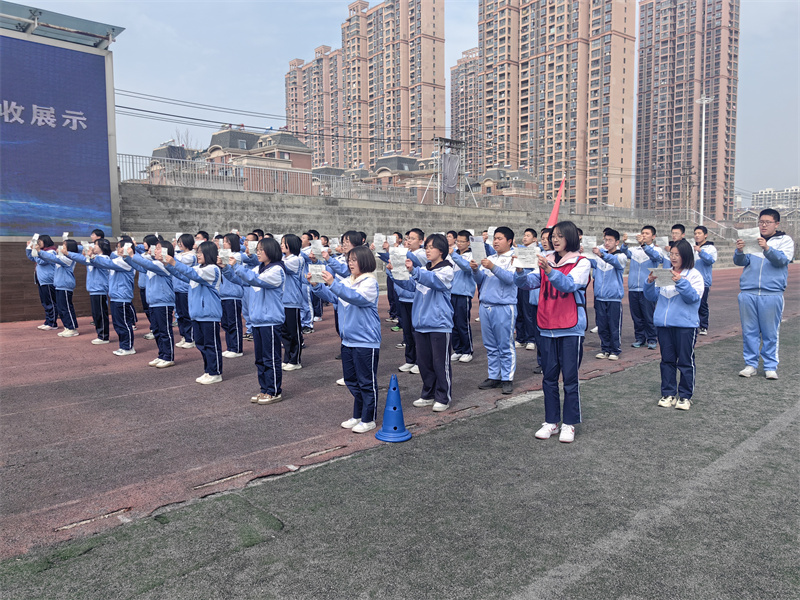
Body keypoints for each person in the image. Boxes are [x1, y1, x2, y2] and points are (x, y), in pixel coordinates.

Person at [515, 221, 590, 443]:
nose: (554, 240)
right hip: (547, 326)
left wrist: (549, 270)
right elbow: (528, 283)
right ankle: (551, 421)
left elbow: (568, 285)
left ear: (571, 238)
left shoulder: (581, 262)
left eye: (559, 236)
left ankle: (569, 423)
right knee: (548, 378)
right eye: (552, 236)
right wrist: (519, 271)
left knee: (570, 378)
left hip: (570, 328)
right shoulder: (546, 260)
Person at [310, 245, 381, 433]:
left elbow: (355, 297)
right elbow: (335, 297)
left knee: (366, 382)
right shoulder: (347, 281)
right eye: (349, 260)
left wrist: (333, 283)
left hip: (365, 340)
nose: (350, 264)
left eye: (354, 260)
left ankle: (369, 418)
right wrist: (317, 286)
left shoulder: (370, 282)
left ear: (365, 261)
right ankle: (358, 415)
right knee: (351, 380)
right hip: (348, 340)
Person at [391, 234, 455, 412]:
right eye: (426, 247)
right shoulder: (424, 270)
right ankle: (428, 394)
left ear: (441, 250)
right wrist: (394, 272)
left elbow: (434, 281)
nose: (427, 250)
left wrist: (415, 271)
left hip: (439, 324)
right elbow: (410, 286)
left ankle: (443, 396)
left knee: (440, 363)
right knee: (425, 363)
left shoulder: (447, 270)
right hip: (421, 324)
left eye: (431, 247)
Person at [733, 209, 795, 379]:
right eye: (761, 222)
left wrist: (767, 248)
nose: (764, 225)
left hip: (772, 293)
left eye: (768, 222)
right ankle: (750, 364)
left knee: (770, 332)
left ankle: (770, 366)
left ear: (777, 224)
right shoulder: (752, 239)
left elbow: (782, 260)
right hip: (748, 292)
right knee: (749, 331)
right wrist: (739, 251)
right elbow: (740, 262)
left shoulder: (785, 240)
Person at [224, 237, 286, 404]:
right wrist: (226, 268)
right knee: (260, 359)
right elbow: (241, 280)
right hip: (258, 320)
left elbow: (255, 280)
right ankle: (264, 389)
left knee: (270, 358)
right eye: (257, 250)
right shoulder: (259, 269)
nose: (257, 253)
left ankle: (273, 391)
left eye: (261, 250)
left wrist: (236, 266)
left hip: (270, 321)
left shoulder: (277, 270)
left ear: (271, 251)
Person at [644, 239, 704, 410]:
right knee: (667, 360)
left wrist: (680, 281)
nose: (673, 257)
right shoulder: (665, 273)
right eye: (671, 254)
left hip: (686, 325)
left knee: (685, 361)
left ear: (686, 256)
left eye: (677, 254)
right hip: (664, 325)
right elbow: (651, 297)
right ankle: (668, 393)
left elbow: (693, 298)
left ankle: (685, 396)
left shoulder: (694, 275)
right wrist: (649, 282)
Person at [163, 240, 224, 384]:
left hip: (209, 314)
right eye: (198, 252)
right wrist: (168, 265)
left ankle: (215, 372)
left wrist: (173, 262)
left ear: (209, 253)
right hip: (197, 314)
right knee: (201, 344)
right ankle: (208, 370)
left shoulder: (212, 269)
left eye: (201, 252)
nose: (198, 255)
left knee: (211, 345)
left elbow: (192, 274)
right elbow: (183, 275)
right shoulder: (198, 268)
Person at [471, 226, 517, 395]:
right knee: (490, 345)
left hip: (504, 306)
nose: (495, 242)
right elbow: (481, 280)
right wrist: (475, 270)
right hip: (486, 305)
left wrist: (493, 267)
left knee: (505, 344)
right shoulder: (490, 258)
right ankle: (494, 376)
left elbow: (511, 279)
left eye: (499, 238)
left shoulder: (514, 258)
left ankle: (507, 378)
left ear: (509, 241)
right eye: (494, 238)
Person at [124, 241, 177, 368]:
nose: (154, 250)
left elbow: (146, 264)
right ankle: (162, 354)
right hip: (153, 303)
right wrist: (126, 257)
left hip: (163, 302)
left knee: (165, 331)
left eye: (158, 248)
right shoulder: (153, 264)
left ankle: (168, 356)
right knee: (157, 331)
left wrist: (132, 255)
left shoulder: (164, 265)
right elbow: (139, 266)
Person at [90, 236, 137, 355]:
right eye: (117, 247)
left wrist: (94, 257)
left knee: (123, 323)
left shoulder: (125, 262)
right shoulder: (118, 260)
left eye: (120, 247)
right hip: (115, 296)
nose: (118, 250)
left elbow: (108, 263)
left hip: (122, 296)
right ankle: (123, 345)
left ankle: (128, 347)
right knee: (117, 324)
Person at [621, 226, 665, 350]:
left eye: (647, 233)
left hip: (648, 289)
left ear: (653, 236)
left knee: (648, 315)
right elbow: (624, 253)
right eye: (642, 233)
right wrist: (625, 243)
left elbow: (656, 257)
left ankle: (652, 338)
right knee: (637, 316)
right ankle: (640, 338)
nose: (644, 235)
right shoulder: (635, 250)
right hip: (633, 288)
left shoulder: (657, 250)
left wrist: (644, 245)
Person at [589, 229, 626, 360]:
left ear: (617, 242)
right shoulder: (599, 258)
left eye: (610, 240)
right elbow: (589, 262)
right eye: (605, 240)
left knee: (614, 325)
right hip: (600, 297)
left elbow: (615, 262)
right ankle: (605, 349)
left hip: (614, 298)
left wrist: (602, 255)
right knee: (602, 325)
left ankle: (615, 350)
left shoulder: (621, 256)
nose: (607, 242)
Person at [66, 238, 111, 344]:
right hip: (93, 290)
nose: (94, 246)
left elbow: (86, 259)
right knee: (96, 315)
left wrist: (68, 253)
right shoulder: (94, 258)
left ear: (102, 247)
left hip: (100, 290)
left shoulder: (103, 258)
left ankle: (103, 336)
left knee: (100, 314)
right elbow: (84, 259)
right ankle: (100, 335)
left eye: (96, 245)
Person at [32, 239, 80, 337]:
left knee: (66, 308)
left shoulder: (68, 259)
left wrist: (40, 251)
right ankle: (67, 327)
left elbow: (53, 258)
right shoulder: (62, 257)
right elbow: (50, 259)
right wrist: (37, 252)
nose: (61, 247)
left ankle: (72, 328)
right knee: (61, 308)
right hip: (59, 285)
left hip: (65, 285)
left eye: (64, 246)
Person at [448, 230, 477, 363]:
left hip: (463, 293)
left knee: (462, 323)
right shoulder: (453, 253)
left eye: (462, 241)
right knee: (452, 323)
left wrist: (453, 255)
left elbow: (467, 268)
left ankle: (467, 350)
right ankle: (458, 349)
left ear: (468, 242)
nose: (459, 243)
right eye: (457, 241)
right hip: (451, 292)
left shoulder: (471, 255)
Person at [279, 234, 305, 371]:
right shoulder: (283, 258)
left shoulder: (297, 259)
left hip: (292, 300)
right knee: (284, 332)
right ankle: (287, 358)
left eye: (284, 243)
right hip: (282, 300)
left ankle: (295, 360)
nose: (281, 245)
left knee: (293, 332)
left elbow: (281, 266)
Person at [219, 233, 245, 358]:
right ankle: (230, 346)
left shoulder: (237, 256)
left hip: (233, 294)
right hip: (223, 293)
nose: (223, 244)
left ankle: (237, 348)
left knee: (233, 322)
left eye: (226, 241)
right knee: (225, 323)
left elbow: (229, 264)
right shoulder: (224, 254)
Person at [26, 235, 58, 331]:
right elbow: (32, 257)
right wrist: (29, 248)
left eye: (40, 241)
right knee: (45, 302)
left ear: (45, 241)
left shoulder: (51, 251)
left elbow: (40, 261)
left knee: (51, 302)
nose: (38, 244)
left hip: (48, 280)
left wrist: (35, 251)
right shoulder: (41, 252)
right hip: (41, 280)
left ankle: (52, 323)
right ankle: (48, 321)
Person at [515, 228, 538, 351]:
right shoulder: (521, 250)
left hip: (529, 284)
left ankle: (531, 339)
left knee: (528, 312)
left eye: (528, 235)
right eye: (524, 235)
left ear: (534, 239)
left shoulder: (536, 251)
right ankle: (520, 338)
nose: (525, 237)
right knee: (519, 311)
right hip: (520, 283)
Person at [173, 234, 197, 349]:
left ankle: (190, 338)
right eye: (178, 242)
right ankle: (184, 336)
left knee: (187, 315)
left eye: (181, 242)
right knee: (180, 315)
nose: (179, 244)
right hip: (177, 288)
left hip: (186, 289)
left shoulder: (191, 256)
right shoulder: (179, 254)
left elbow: (177, 261)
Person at [692, 226, 717, 335]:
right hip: (691, 280)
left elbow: (710, 260)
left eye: (699, 233)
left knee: (702, 303)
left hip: (703, 281)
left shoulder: (710, 248)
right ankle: (694, 323)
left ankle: (703, 326)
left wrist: (700, 252)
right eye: (695, 233)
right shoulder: (692, 247)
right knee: (691, 302)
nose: (697, 235)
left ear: (705, 235)